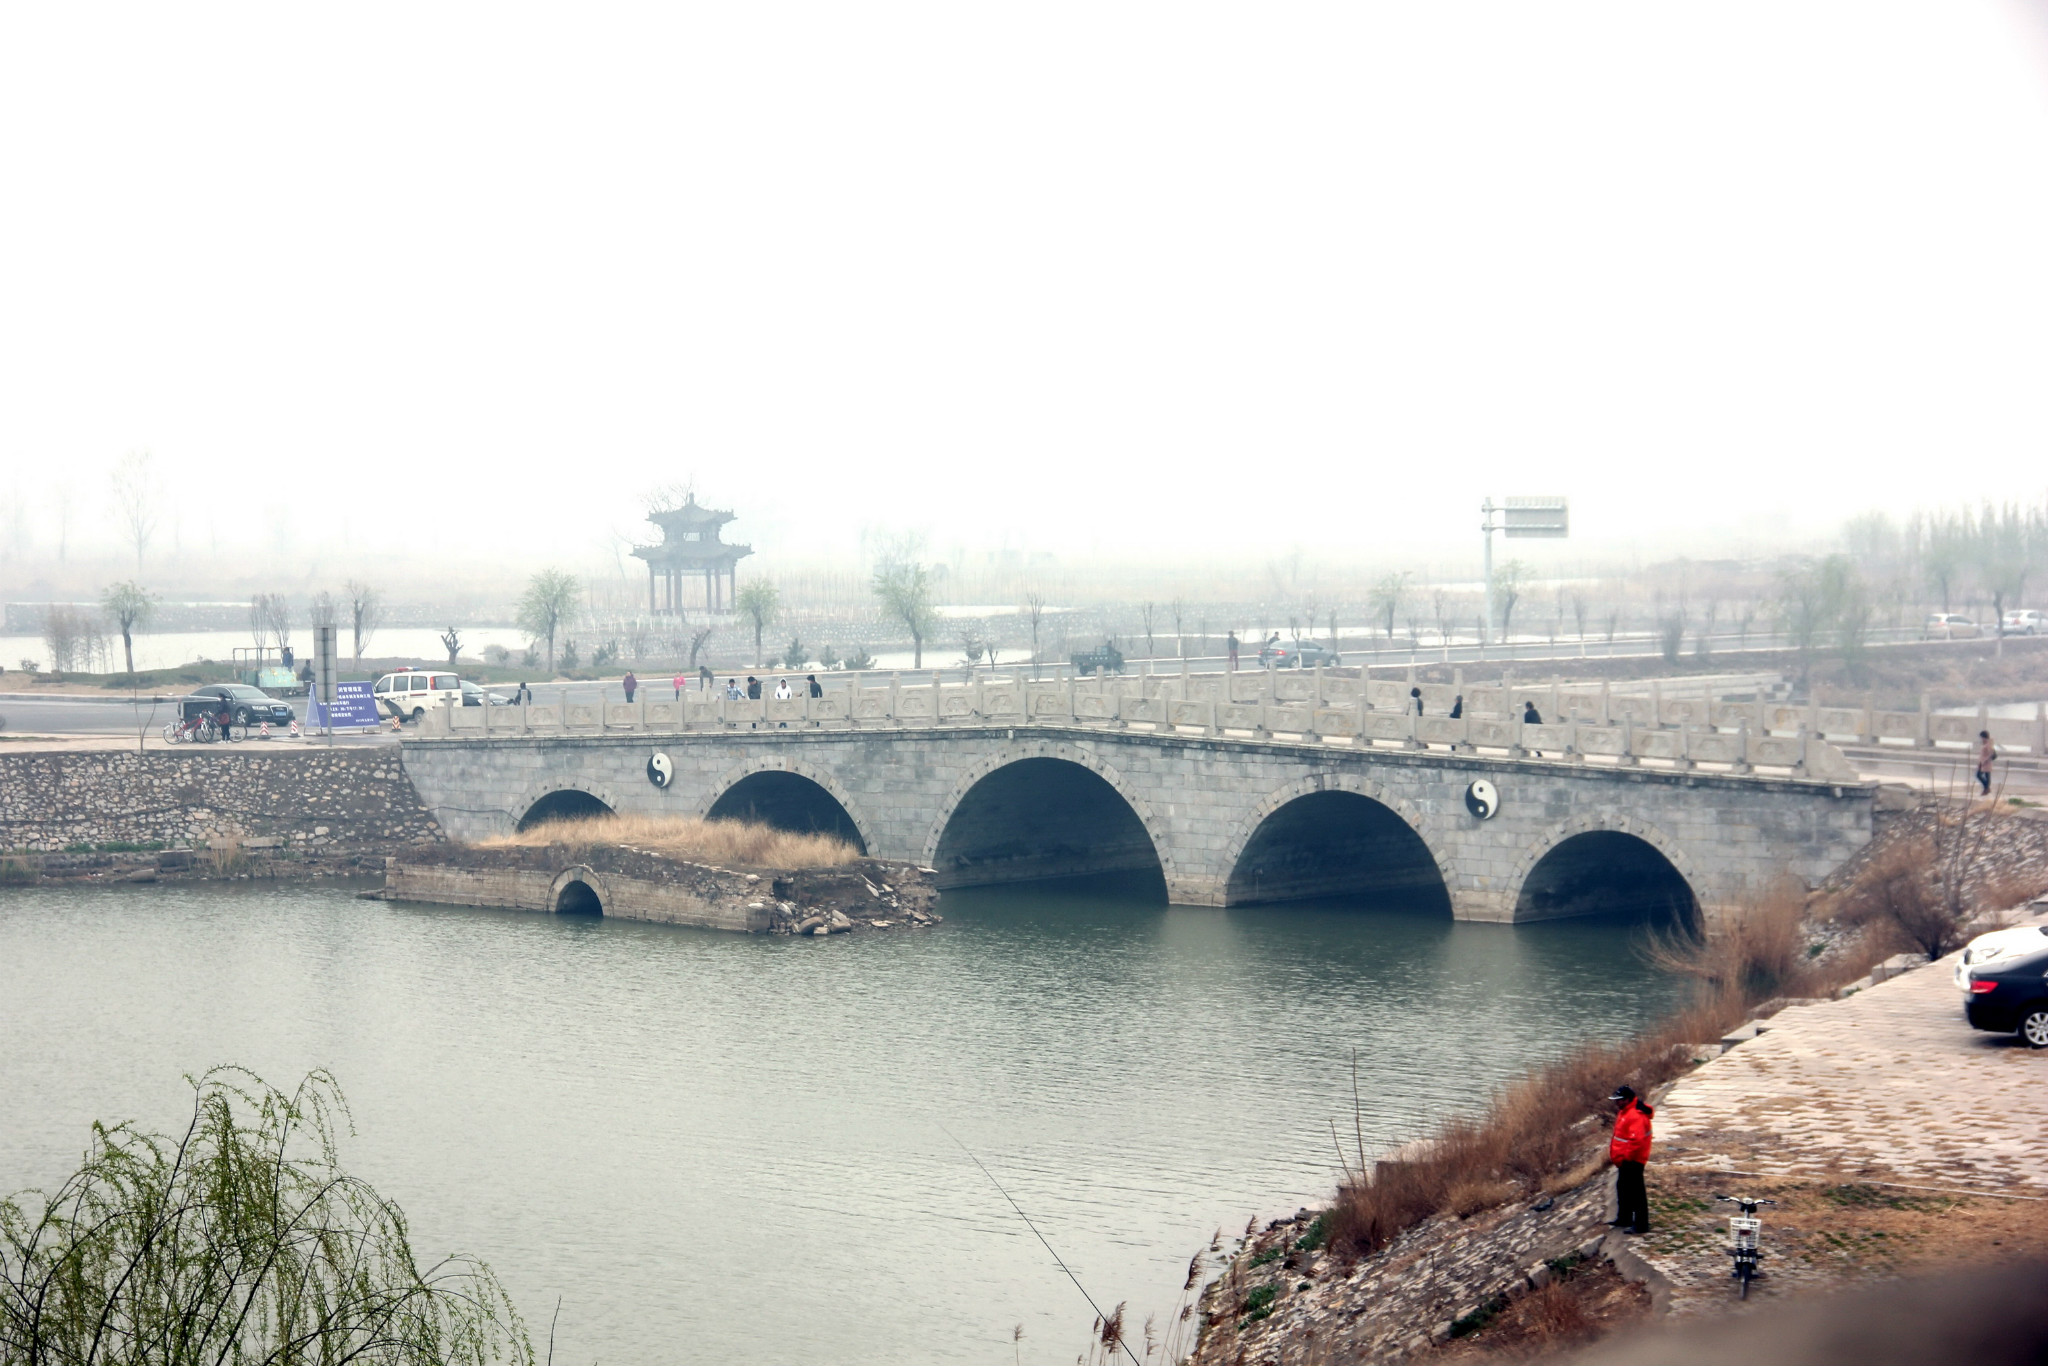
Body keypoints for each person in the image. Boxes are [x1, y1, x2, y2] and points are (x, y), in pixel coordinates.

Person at [1608, 1085, 1654, 1234]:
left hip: (1633, 1161)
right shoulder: (1625, 1112)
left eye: (1618, 1100)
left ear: (1626, 1100)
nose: (1616, 1103)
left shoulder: (1635, 1115)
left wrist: (1626, 1158)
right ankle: (1624, 1218)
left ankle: (1641, 1225)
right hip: (1625, 1160)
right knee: (1623, 1189)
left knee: (1636, 1193)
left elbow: (1636, 1141)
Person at [1977, 730, 1996, 796]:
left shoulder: (1988, 745)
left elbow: (1992, 754)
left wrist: (1986, 760)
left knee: (1980, 775)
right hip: (1983, 763)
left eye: (1981, 737)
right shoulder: (1986, 744)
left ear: (1984, 737)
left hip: (1986, 763)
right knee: (1984, 776)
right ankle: (1986, 789)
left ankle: (1986, 789)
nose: (1981, 739)